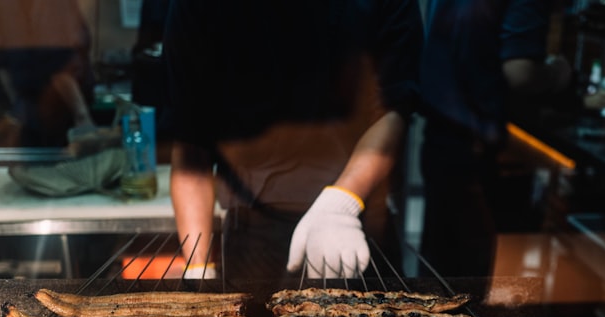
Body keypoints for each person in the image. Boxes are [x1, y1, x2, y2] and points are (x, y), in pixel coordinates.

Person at [162, 1, 423, 282]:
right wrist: (199, 268)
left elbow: (392, 109)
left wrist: (342, 203)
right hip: (252, 233)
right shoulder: (197, 9)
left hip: (354, 222)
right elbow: (191, 140)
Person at [418, 0, 572, 278]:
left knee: (440, 270)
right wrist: (560, 74)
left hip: (440, 136)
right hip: (475, 148)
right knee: (478, 276)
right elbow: (519, 72)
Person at [0, 0, 96, 148]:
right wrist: (82, 116)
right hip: (54, 113)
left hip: (30, 112)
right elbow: (61, 63)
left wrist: (15, 109)